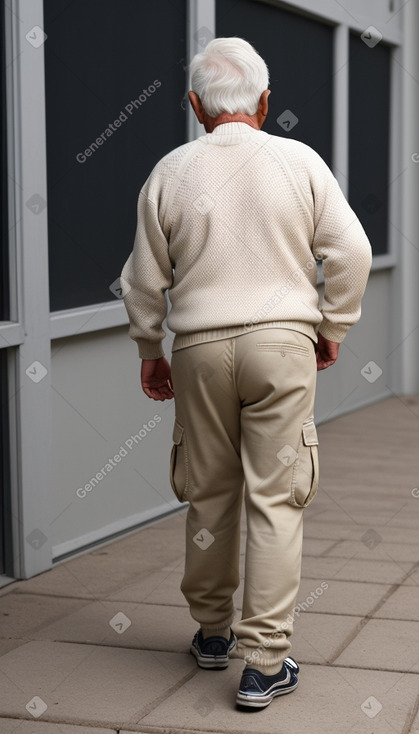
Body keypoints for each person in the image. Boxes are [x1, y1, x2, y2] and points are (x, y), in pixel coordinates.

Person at [120, 36, 372, 710]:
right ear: (263, 102)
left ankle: (210, 632)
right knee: (276, 494)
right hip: (281, 345)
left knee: (208, 489)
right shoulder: (299, 161)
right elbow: (349, 249)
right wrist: (331, 325)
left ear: (195, 104)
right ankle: (264, 662)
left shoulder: (170, 171)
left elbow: (141, 281)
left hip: (199, 350)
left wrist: (150, 348)